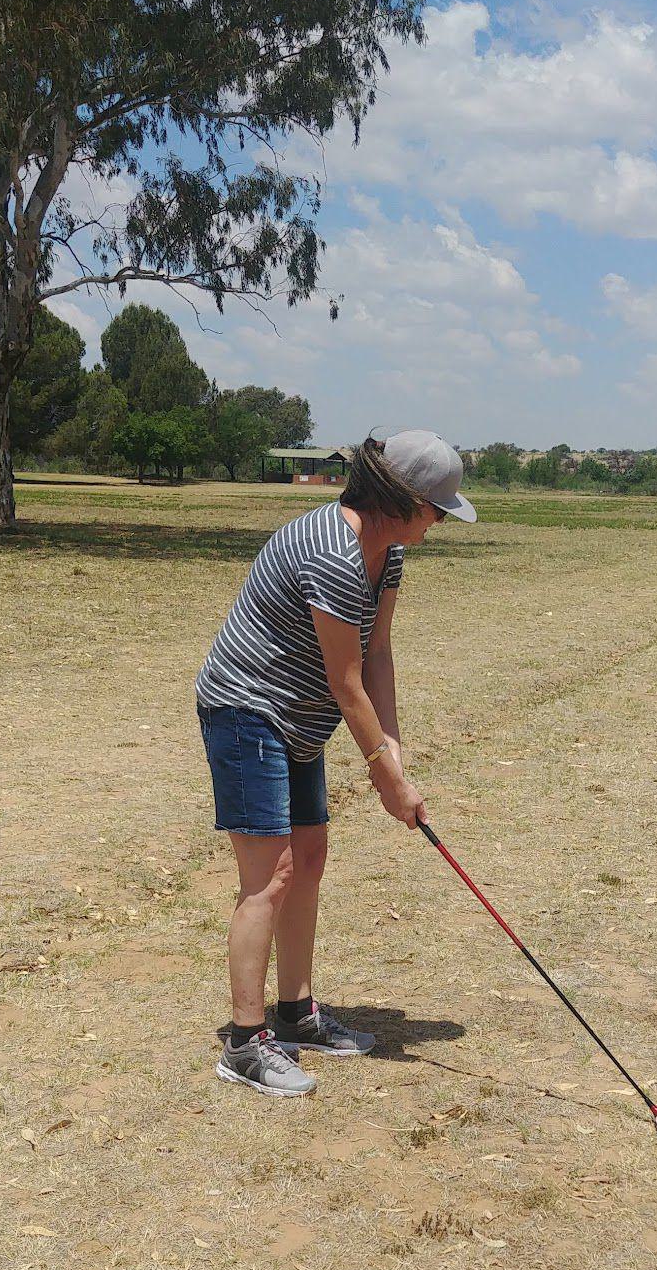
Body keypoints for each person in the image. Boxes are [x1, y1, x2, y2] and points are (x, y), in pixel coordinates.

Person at [195, 430, 476, 1096]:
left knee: (311, 858)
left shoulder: (390, 556)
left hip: (298, 719)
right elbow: (346, 681)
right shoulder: (333, 554)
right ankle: (244, 1041)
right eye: (437, 510)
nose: (440, 522)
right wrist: (383, 773)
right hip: (246, 710)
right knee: (272, 875)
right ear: (400, 500)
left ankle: (295, 1013)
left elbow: (378, 657)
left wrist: (396, 759)